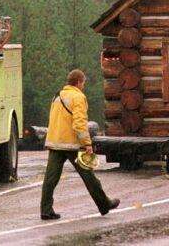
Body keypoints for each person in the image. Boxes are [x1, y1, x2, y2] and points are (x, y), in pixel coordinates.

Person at [40, 69, 119, 220]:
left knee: (50, 179)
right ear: (78, 82)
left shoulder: (58, 95)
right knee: (89, 176)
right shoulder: (78, 97)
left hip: (55, 143)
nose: (84, 86)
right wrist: (87, 143)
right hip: (72, 144)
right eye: (83, 83)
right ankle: (104, 204)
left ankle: (45, 210)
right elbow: (79, 123)